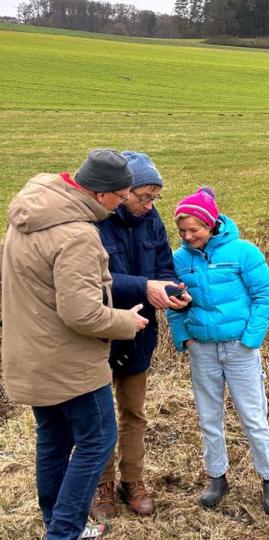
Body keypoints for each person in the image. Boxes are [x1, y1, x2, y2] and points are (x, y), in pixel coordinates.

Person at [1, 149, 149, 540]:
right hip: (69, 364)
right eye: (121, 195)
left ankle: (56, 522)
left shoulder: (33, 209)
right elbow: (82, 313)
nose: (122, 203)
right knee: (98, 439)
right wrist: (126, 321)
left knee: (53, 439)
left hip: (30, 353)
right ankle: (64, 532)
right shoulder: (78, 234)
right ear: (101, 194)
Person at [167, 187, 269, 515]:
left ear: (211, 223)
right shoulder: (178, 260)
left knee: (252, 416)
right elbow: (172, 303)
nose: (188, 237)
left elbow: (265, 294)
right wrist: (184, 338)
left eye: (195, 230)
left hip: (239, 349)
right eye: (182, 231)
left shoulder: (243, 252)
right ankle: (217, 478)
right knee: (208, 418)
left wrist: (251, 338)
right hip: (202, 350)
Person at [90, 151, 192, 521]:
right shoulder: (95, 222)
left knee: (134, 412)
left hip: (140, 333)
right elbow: (92, 282)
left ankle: (131, 481)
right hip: (99, 335)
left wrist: (171, 291)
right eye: (143, 196)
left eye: (155, 198)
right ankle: (101, 485)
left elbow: (164, 265)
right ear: (122, 191)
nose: (149, 205)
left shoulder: (152, 222)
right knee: (98, 416)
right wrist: (144, 286)